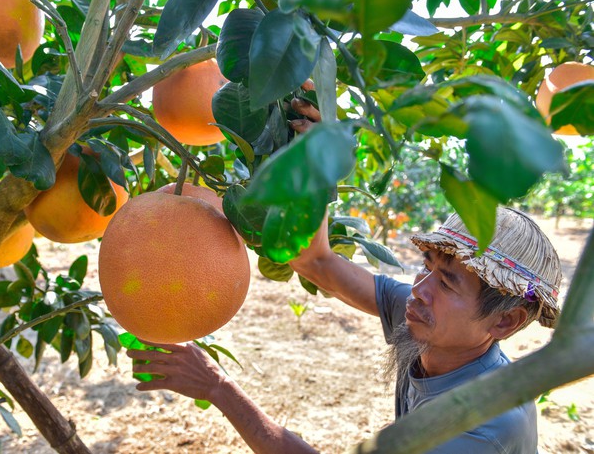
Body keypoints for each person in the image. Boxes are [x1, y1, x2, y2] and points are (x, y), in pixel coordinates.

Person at [127, 93, 563, 452]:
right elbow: (316, 262)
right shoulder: (428, 322)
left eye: (448, 282)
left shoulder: (480, 431)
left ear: (505, 320)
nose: (419, 289)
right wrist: (319, 159)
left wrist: (219, 387)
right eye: (427, 267)